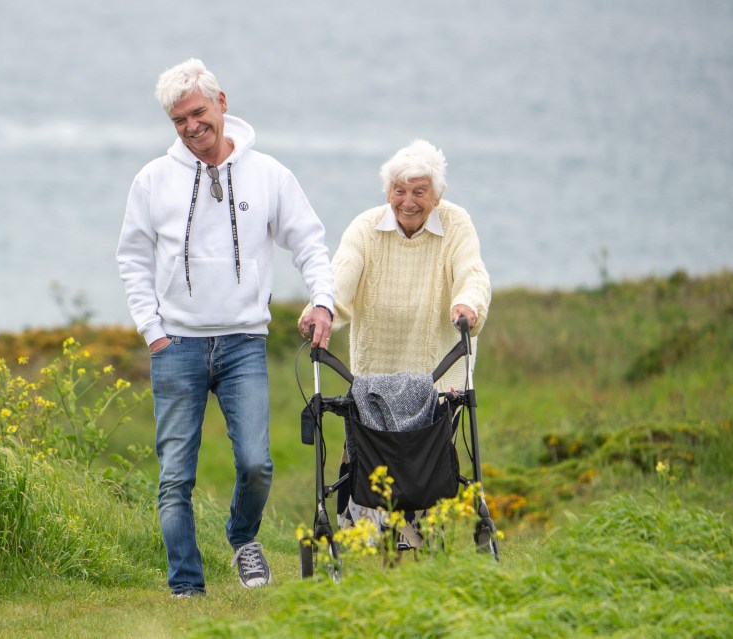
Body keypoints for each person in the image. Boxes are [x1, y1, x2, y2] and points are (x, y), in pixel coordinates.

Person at [117, 58, 334, 597]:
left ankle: (242, 538)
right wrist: (152, 330)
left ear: (221, 103)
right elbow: (132, 258)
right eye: (178, 120)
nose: (191, 127)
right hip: (176, 345)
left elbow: (308, 241)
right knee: (175, 480)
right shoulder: (152, 179)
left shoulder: (269, 175)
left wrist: (323, 301)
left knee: (257, 464)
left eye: (197, 112)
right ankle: (186, 587)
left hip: (243, 343)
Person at [299, 138, 490, 548]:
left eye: (420, 191)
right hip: (375, 373)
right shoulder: (366, 229)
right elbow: (341, 275)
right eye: (399, 191)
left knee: (423, 458)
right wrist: (323, 309)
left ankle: (417, 542)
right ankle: (365, 540)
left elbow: (471, 272)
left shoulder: (456, 224)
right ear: (387, 192)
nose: (408, 201)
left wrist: (467, 304)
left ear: (437, 195)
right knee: (371, 454)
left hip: (436, 371)